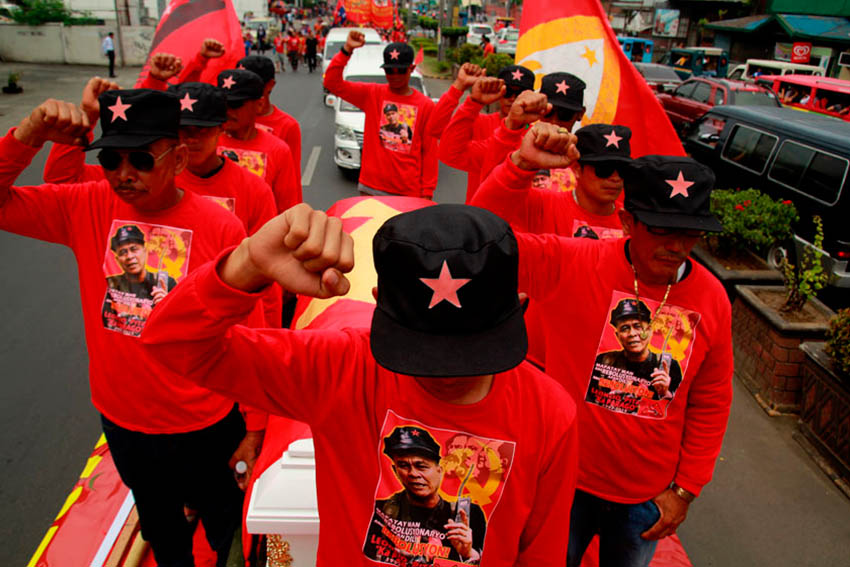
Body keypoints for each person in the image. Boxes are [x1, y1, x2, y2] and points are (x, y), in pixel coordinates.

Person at [142, 202, 579, 566]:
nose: (446, 376)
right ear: (377, 305)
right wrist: (249, 263)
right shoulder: (341, 370)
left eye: (471, 353)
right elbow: (172, 343)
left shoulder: (551, 414)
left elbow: (541, 552)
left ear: (520, 308)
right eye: (423, 353)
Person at [0, 90, 261, 567]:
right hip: (125, 425)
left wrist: (256, 426)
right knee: (162, 528)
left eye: (140, 160)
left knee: (228, 526)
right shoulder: (84, 205)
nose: (124, 174)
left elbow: (252, 331)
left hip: (207, 424)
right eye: (111, 160)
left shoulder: (221, 226)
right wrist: (28, 134)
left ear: (178, 158)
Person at [478, 122, 734, 567]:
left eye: (690, 233)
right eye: (661, 229)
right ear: (627, 221)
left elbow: (712, 400)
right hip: (563, 484)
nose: (676, 245)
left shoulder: (712, 298)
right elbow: (476, 243)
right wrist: (519, 165)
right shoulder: (572, 263)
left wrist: (685, 490)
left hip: (645, 500)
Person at [323, 32, 441, 198]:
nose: (394, 76)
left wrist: (427, 192)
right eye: (389, 71)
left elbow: (429, 152)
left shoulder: (426, 105)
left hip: (408, 193)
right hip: (371, 188)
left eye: (400, 71)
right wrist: (347, 50)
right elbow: (331, 82)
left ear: (411, 69)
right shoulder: (371, 94)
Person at [364, 426, 488, 565]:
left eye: (421, 466)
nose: (413, 474)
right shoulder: (380, 512)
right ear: (395, 470)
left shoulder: (469, 515)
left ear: (439, 471)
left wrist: (468, 554)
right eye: (404, 465)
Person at [438, 64, 535, 202]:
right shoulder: (479, 121)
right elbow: (448, 153)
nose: (513, 98)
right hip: (479, 212)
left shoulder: (534, 136)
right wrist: (474, 102)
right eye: (507, 92)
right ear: (498, 91)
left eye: (519, 94)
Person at [216, 68, 301, 213]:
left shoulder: (278, 150)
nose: (228, 112)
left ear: (259, 105)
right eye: (223, 104)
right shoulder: (208, 144)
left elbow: (288, 208)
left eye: (236, 105)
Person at [237, 55, 303, 186]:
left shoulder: (288, 126)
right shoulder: (228, 121)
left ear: (270, 85)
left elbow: (291, 180)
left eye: (248, 85)